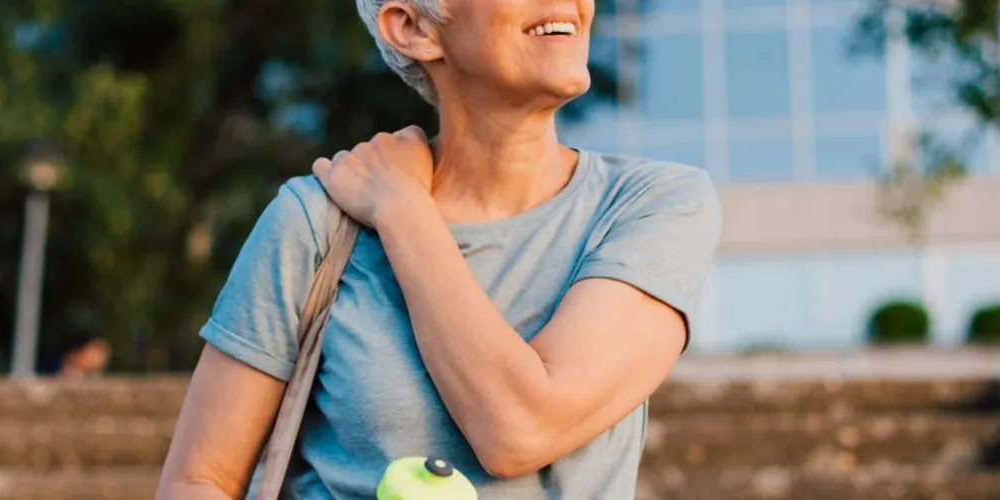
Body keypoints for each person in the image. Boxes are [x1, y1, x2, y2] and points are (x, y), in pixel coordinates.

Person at [156, 0, 722, 498]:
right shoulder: (317, 220)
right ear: (412, 28)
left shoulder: (655, 205)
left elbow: (523, 429)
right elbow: (197, 478)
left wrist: (401, 209)